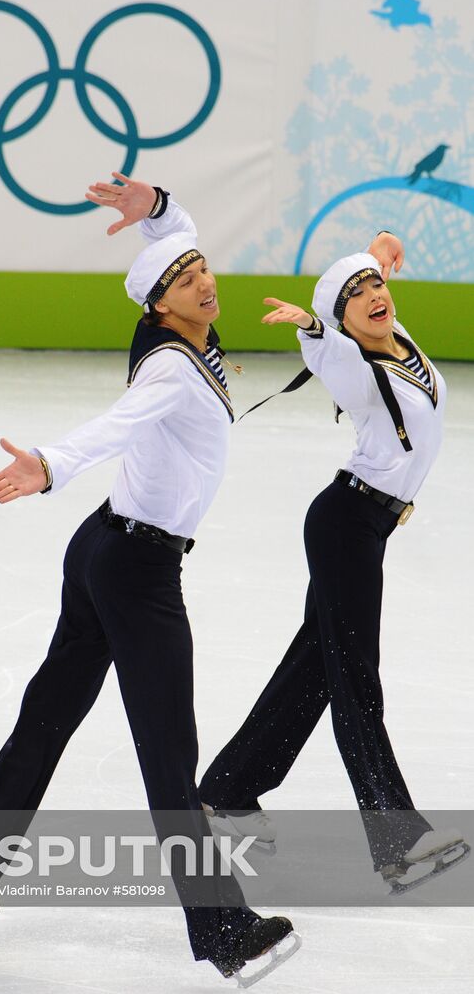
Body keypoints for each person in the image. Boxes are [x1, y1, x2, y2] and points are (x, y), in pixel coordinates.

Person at [0, 173, 301, 982]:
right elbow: (117, 424)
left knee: (48, 714)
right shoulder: (170, 366)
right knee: (169, 757)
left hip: (103, 546)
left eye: (201, 269)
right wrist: (51, 463)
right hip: (135, 569)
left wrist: (161, 214)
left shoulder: (178, 327)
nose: (203, 283)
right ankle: (222, 929)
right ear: (158, 306)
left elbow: (181, 240)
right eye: (182, 280)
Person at [199, 245, 469, 891]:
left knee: (316, 667)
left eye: (376, 285)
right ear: (339, 317)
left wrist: (375, 250)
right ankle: (395, 839)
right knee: (353, 677)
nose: (374, 295)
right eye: (356, 294)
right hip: (344, 523)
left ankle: (226, 792)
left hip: (370, 525)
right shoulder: (347, 358)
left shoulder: (394, 336)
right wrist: (312, 326)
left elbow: (370, 273)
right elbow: (330, 352)